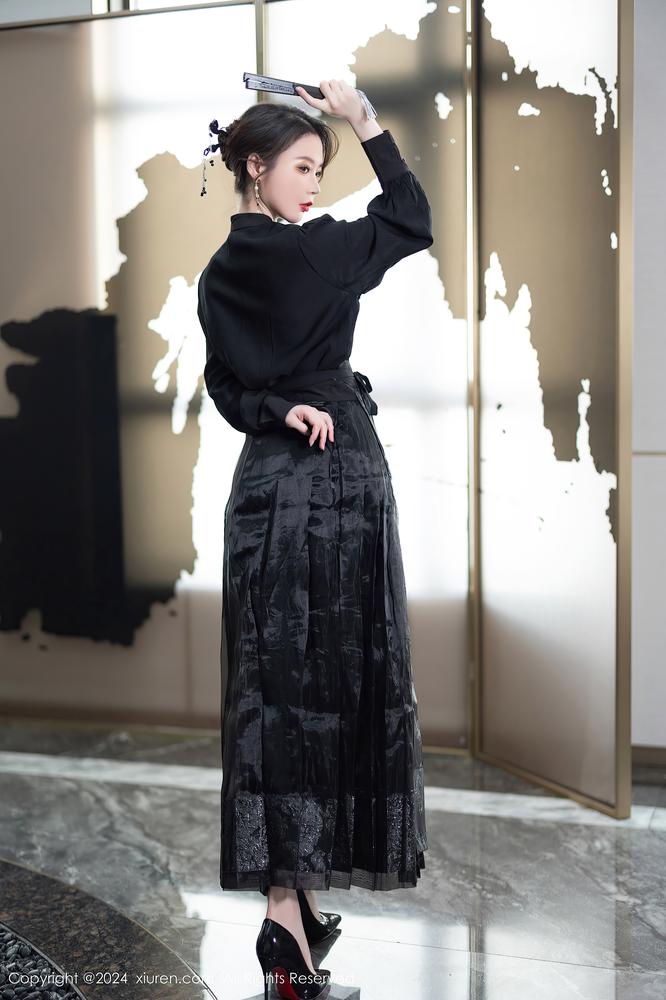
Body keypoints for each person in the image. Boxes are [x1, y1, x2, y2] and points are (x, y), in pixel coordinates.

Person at [197, 79, 432, 1000]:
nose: (313, 184)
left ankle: (289, 913)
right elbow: (409, 217)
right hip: (335, 484)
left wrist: (274, 408)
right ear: (255, 167)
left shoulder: (220, 272)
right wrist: (363, 119)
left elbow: (226, 388)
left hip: (263, 488)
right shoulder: (323, 251)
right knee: (338, 685)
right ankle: (287, 913)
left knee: (275, 692)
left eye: (319, 169)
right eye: (301, 166)